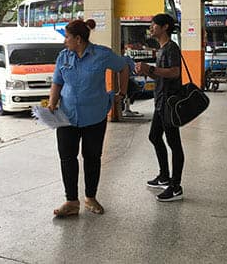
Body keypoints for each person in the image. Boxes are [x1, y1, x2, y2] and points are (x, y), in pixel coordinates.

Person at [48, 19, 129, 217]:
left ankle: (90, 197)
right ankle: (71, 201)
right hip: (66, 116)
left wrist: (121, 92)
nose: (65, 41)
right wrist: (52, 102)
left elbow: (123, 66)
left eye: (67, 37)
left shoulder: (102, 54)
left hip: (95, 115)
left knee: (92, 157)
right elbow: (57, 82)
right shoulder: (63, 57)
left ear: (78, 39)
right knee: (67, 158)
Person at [135, 14, 184, 202]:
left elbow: (174, 72)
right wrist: (147, 71)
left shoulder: (171, 48)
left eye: (154, 24)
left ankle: (176, 186)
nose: (151, 27)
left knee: (174, 143)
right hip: (160, 102)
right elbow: (162, 76)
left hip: (170, 103)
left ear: (165, 27)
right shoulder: (161, 49)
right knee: (154, 136)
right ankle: (164, 175)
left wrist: (151, 69)